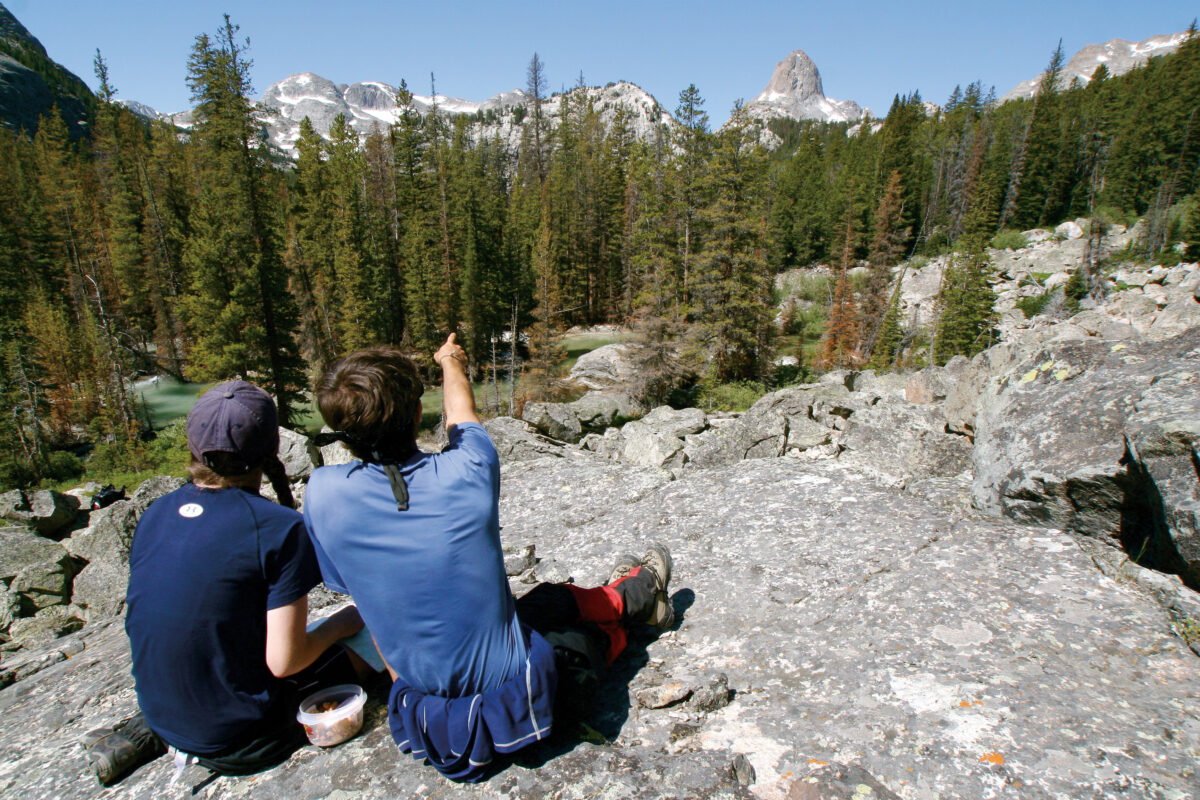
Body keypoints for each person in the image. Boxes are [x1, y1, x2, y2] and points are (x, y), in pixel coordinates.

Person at [304, 335, 675, 782]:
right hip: (514, 701)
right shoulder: (468, 471)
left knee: (545, 601)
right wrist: (450, 362)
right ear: (419, 416)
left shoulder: (322, 493)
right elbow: (463, 417)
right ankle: (634, 605)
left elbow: (365, 599)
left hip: (424, 706)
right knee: (577, 643)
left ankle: (630, 596)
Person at [87, 381, 368, 785]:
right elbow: (285, 661)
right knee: (368, 648)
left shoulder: (156, 513)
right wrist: (345, 621)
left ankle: (151, 733)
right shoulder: (278, 527)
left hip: (162, 710)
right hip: (244, 739)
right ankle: (197, 735)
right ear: (272, 447)